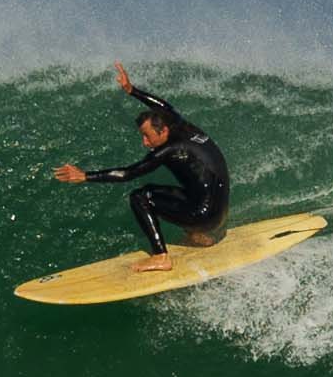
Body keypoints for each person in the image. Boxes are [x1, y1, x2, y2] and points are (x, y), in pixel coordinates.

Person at [52, 62, 230, 271]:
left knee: (140, 197)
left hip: (205, 215)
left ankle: (161, 257)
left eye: (148, 136)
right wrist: (131, 90)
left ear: (163, 131)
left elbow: (129, 173)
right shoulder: (181, 126)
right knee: (180, 190)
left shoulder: (170, 149)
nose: (145, 143)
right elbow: (163, 106)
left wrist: (85, 176)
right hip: (219, 209)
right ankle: (196, 234)